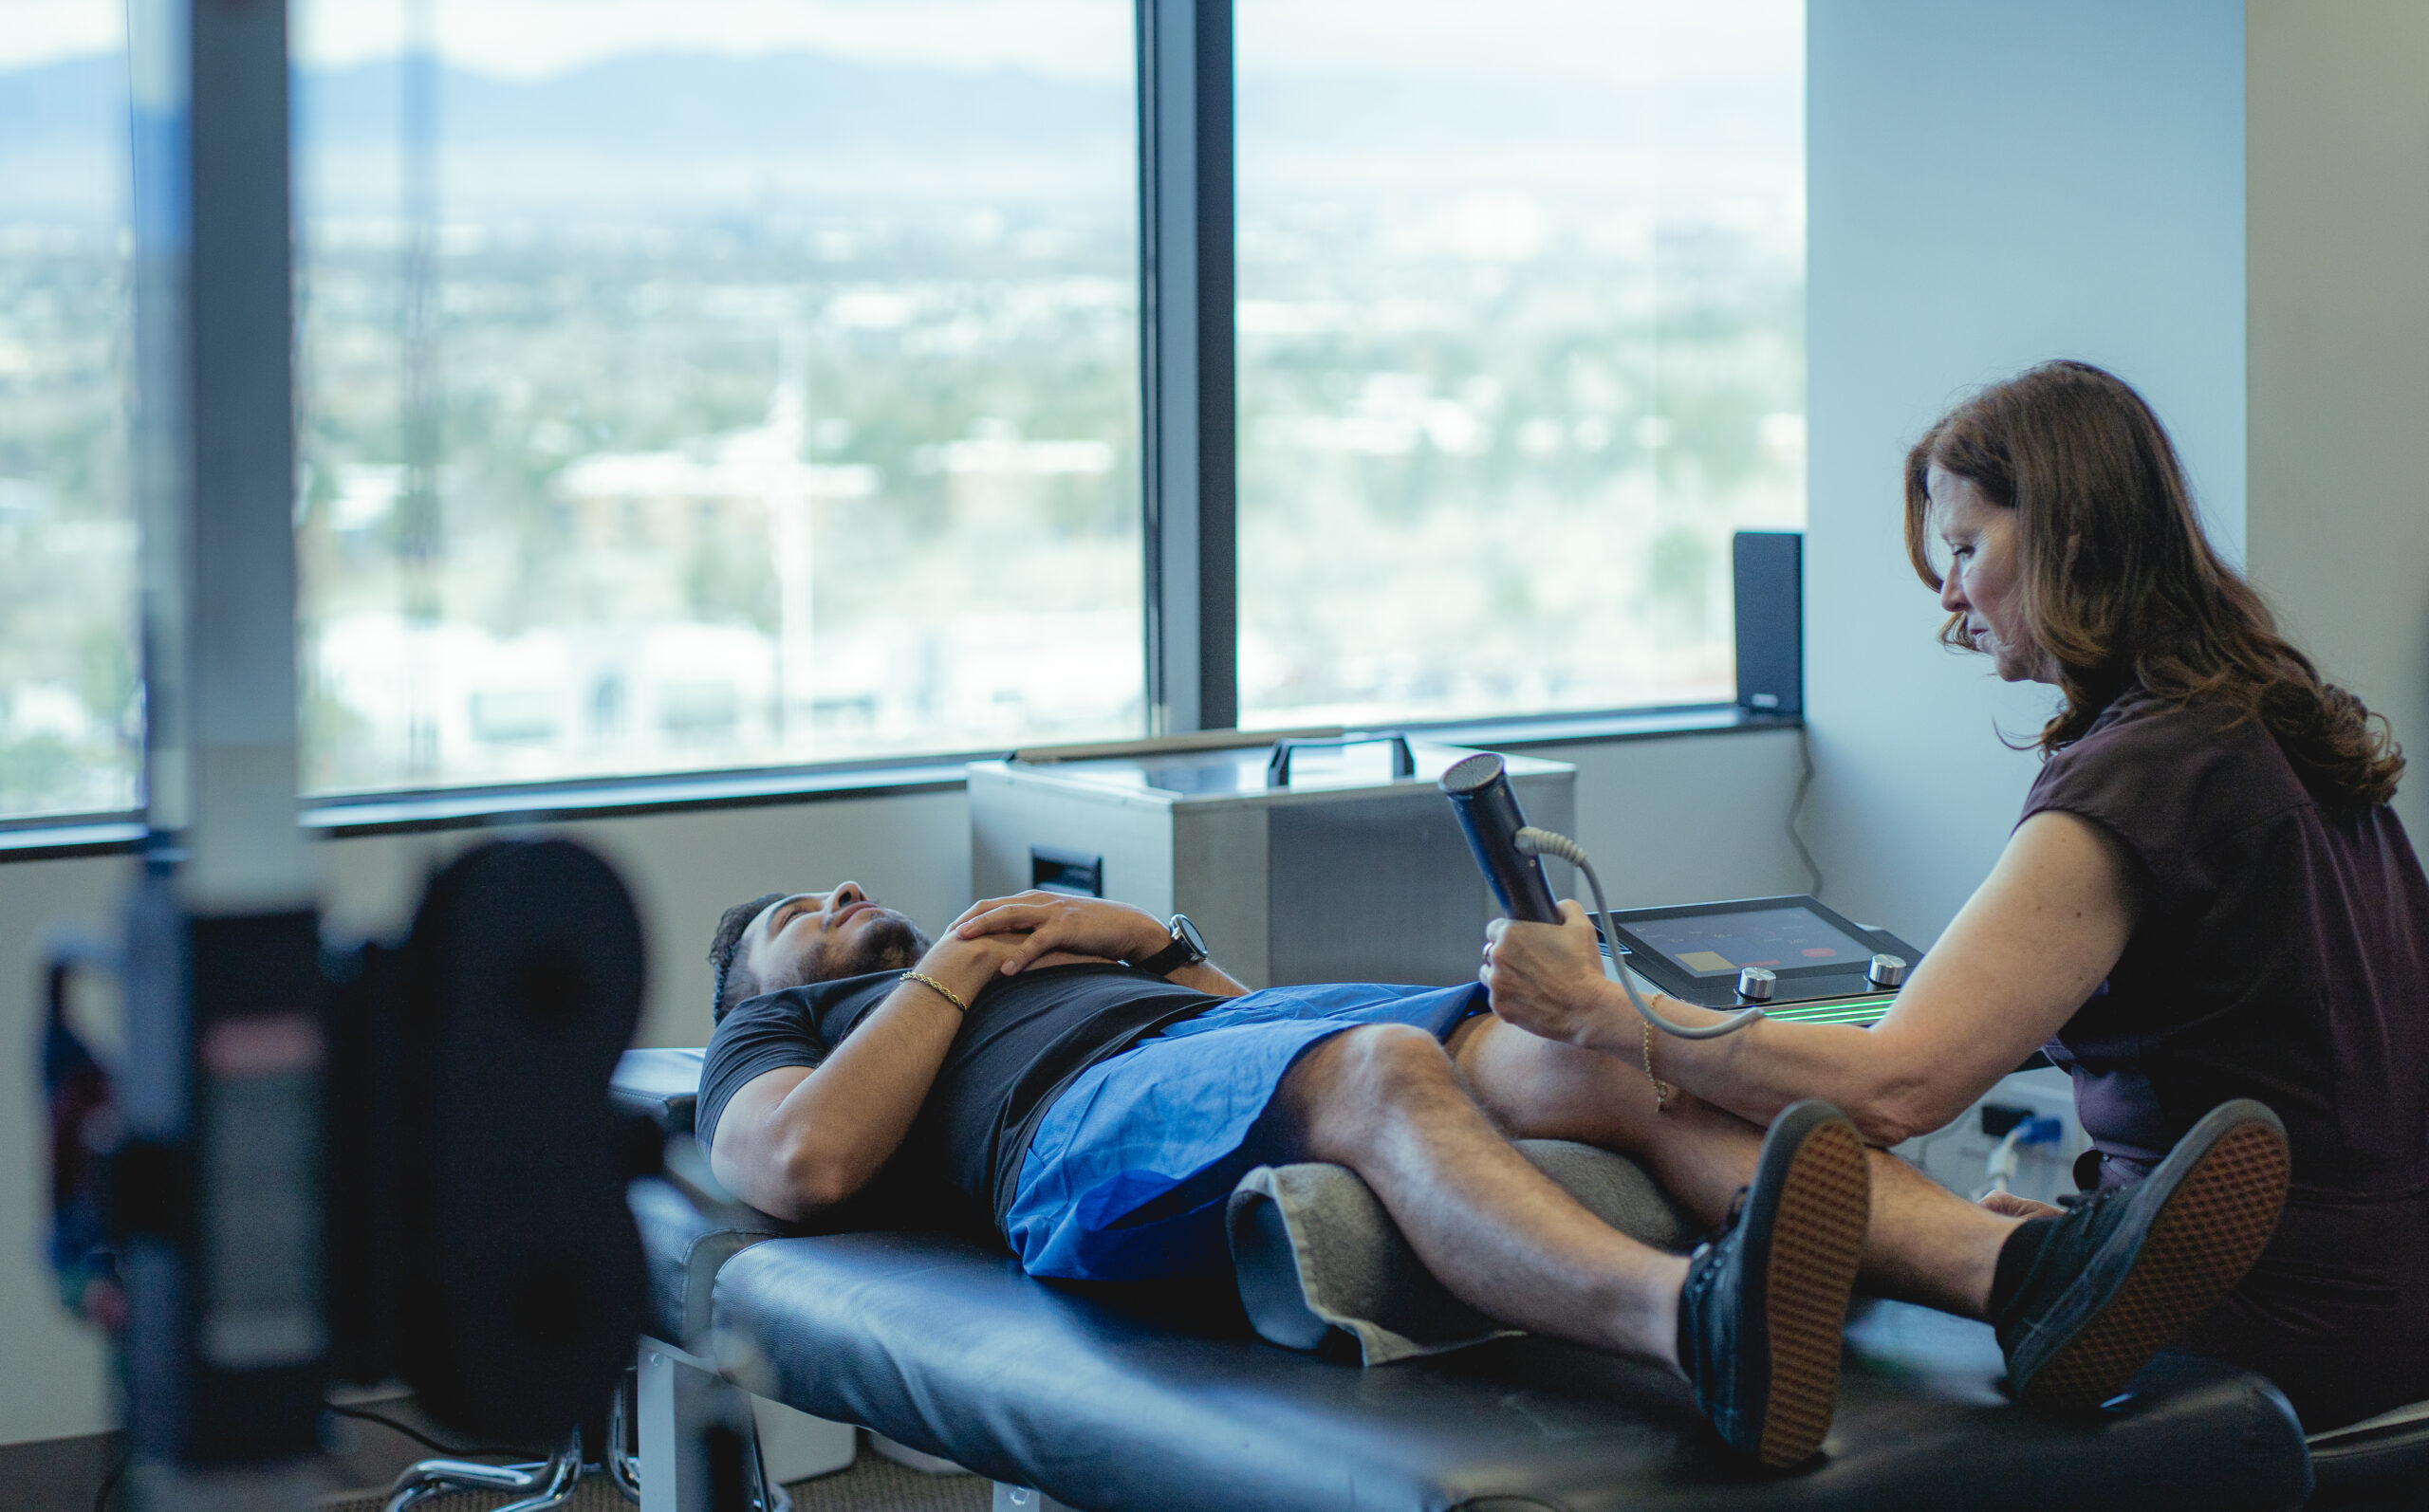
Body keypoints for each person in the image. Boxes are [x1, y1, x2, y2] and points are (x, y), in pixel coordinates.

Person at [1488, 359, 2420, 1429]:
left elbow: (1894, 1088)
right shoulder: (2272, 718)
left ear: (2069, 537)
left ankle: (1999, 1276)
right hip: (2387, 1294)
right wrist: (2109, 1219)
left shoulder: (2143, 770)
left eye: (1967, 549)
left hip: (2271, 1317)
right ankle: (2049, 1258)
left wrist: (1602, 1009)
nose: (1946, 593)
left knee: (1625, 1077)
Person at [697, 872, 2268, 1466]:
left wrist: (1158, 944)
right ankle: (1698, 1324)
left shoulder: (1041, 951)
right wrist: (965, 959)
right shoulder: (797, 1025)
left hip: (1228, 1053)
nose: (836, 894)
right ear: (759, 981)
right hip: (1079, 1129)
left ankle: (2024, 1276)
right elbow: (806, 1160)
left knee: (1605, 1051)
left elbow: (1263, 1055)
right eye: (795, 904)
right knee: (1379, 1070)